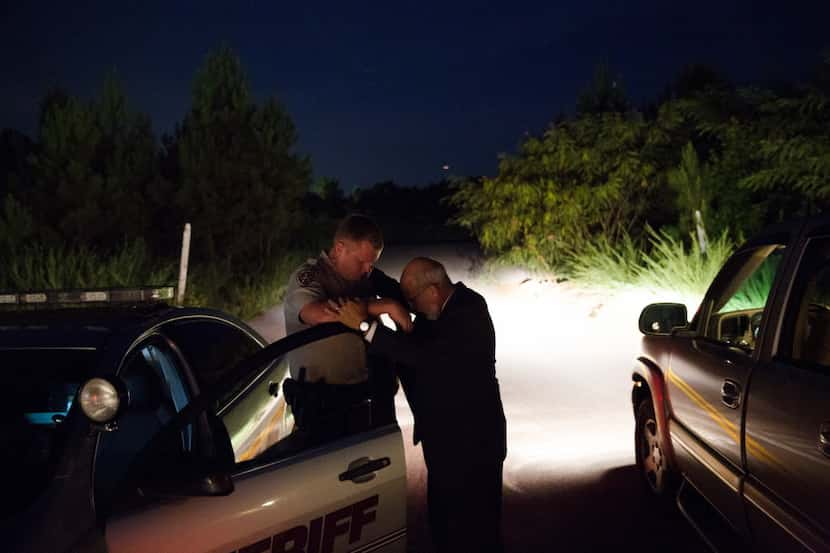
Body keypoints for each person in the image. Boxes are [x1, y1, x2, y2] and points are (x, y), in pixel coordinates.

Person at [338, 257, 507, 553]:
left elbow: (423, 356)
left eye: (413, 300)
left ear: (432, 291)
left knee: (477, 532)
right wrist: (368, 270)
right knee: (443, 528)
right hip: (444, 443)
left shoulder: (469, 312)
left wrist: (366, 327)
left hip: (475, 447)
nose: (410, 308)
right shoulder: (434, 307)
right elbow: (401, 295)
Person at [283, 214, 412, 429]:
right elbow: (318, 313)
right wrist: (383, 305)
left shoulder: (366, 276)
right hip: (323, 407)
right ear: (340, 248)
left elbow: (407, 298)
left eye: (372, 264)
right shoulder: (309, 276)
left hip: (370, 396)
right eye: (361, 262)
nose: (366, 270)